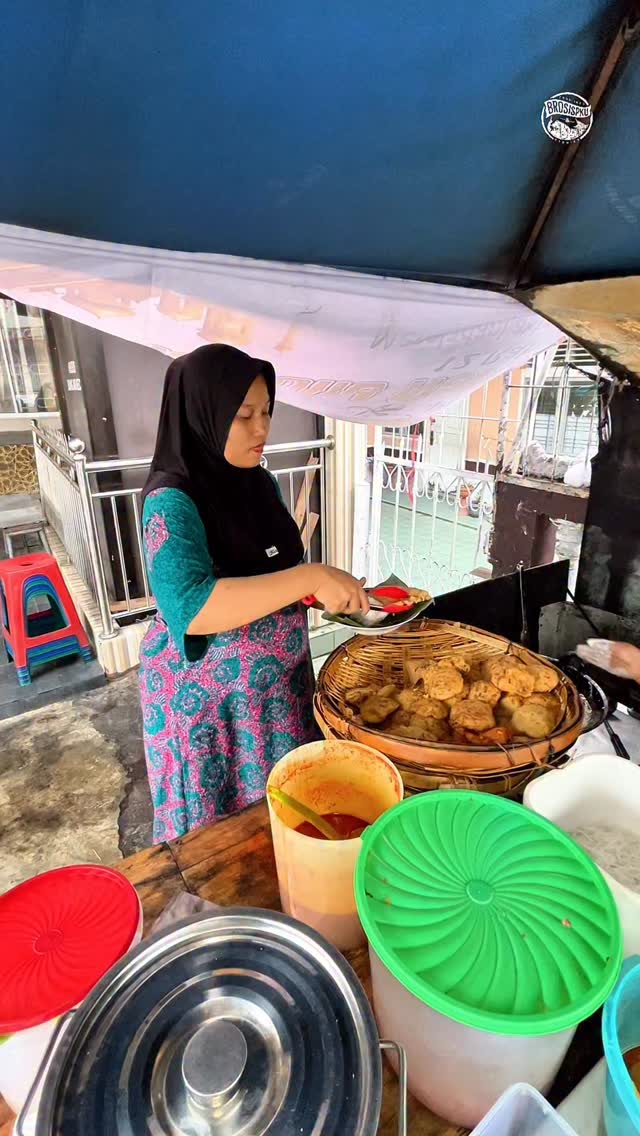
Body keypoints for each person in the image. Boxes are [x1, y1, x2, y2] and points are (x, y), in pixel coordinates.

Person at [139, 343, 369, 842]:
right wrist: (309, 577)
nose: (261, 429)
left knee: (287, 821)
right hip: (211, 713)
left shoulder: (259, 483)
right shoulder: (170, 501)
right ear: (203, 413)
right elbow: (190, 606)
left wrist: (318, 592)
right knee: (218, 845)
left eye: (266, 412)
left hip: (277, 699)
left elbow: (272, 570)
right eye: (243, 415)